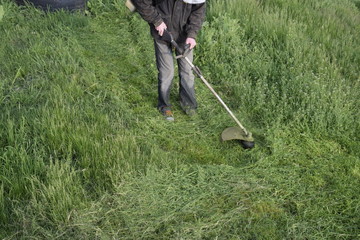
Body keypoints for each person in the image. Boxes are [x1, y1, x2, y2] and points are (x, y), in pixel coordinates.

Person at [132, 0, 206, 121]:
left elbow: (198, 11)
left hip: (184, 36)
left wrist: (192, 35)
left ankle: (189, 104)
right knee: (167, 72)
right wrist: (157, 21)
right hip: (162, 33)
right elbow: (141, 2)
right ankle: (164, 105)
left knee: (187, 70)